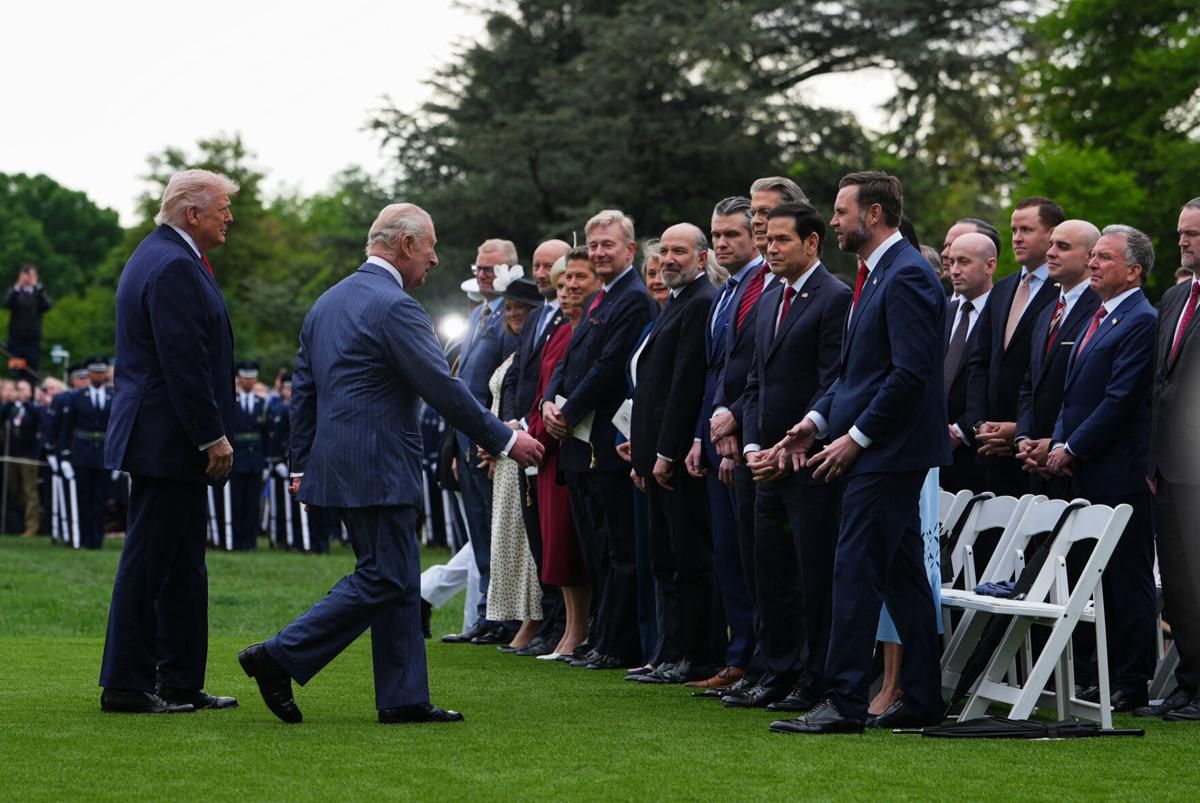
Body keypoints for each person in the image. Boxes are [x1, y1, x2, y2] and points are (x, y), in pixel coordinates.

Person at [238, 202, 544, 725]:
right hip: (378, 465)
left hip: (340, 464)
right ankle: (278, 656)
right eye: (430, 247)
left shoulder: (327, 303)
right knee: (383, 577)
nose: (435, 258)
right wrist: (505, 440)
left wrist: (299, 463)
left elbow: (304, 393)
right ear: (405, 245)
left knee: (397, 578)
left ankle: (403, 697)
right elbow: (441, 387)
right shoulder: (395, 307)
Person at [768, 171, 949, 734]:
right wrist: (816, 421)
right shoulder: (875, 276)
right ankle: (922, 696)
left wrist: (857, 437)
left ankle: (845, 701)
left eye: (842, 211)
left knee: (855, 571)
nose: (835, 221)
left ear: (873, 215)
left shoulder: (908, 275)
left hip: (889, 452)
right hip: (879, 448)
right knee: (902, 578)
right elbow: (856, 372)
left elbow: (910, 375)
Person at [100, 168, 239, 714]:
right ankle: (127, 686)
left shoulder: (161, 255)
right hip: (169, 438)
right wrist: (212, 436)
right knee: (150, 560)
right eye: (223, 207)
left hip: (164, 436)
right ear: (192, 214)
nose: (230, 217)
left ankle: (179, 680)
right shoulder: (174, 264)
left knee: (182, 564)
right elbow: (183, 362)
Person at [734, 203, 850, 711]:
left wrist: (797, 443)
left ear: (812, 243)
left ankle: (814, 676)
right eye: (768, 240)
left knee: (811, 576)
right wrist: (756, 445)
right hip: (767, 464)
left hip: (809, 463)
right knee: (771, 574)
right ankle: (776, 673)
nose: (770, 248)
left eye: (782, 240)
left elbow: (834, 382)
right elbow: (755, 381)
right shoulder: (766, 299)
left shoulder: (835, 298)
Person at [1045, 224, 1158, 712]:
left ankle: (1131, 681)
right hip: (1088, 468)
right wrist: (1055, 441)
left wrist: (1072, 447)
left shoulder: (1140, 320)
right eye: (1092, 255)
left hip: (1119, 471)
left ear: (1133, 271)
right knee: (1095, 576)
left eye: (1105, 258)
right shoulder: (1100, 315)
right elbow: (1075, 395)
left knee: (1125, 577)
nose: (1093, 263)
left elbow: (1119, 401)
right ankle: (1098, 676)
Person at [543, 209, 657, 671]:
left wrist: (566, 413)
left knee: (620, 550)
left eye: (609, 244)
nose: (600, 252)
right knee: (598, 549)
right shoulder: (600, 299)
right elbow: (570, 361)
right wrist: (551, 402)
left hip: (610, 443)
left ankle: (618, 643)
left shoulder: (632, 298)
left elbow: (608, 367)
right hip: (581, 446)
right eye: (595, 245)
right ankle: (602, 637)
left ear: (629, 249)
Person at [705, 177, 804, 699]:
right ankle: (762, 663)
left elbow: (789, 374)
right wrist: (726, 416)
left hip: (780, 445)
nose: (761, 221)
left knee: (782, 573)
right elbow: (734, 363)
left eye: (767, 213)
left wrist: (739, 421)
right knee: (753, 565)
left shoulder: (807, 288)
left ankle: (777, 666)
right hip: (746, 441)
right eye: (757, 212)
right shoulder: (751, 285)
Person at [629, 223, 722, 684]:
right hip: (656, 458)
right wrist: (642, 452)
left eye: (679, 251)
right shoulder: (676, 302)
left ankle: (697, 655)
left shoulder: (701, 301)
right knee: (665, 560)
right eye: (663, 250)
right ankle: (670, 652)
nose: (668, 258)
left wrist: (665, 452)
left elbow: (684, 388)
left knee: (690, 560)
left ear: (702, 259)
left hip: (680, 461)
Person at [685, 197, 761, 693]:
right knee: (728, 557)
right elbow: (714, 373)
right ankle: (740, 657)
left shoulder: (761, 288)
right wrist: (699, 436)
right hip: (714, 439)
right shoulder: (725, 292)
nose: (722, 243)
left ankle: (758, 660)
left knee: (753, 559)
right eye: (717, 235)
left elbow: (752, 370)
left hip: (747, 437)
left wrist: (734, 429)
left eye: (732, 234)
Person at [442, 239, 521, 645]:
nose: (483, 275)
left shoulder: (512, 316)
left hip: (493, 437)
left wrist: (496, 437)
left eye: (492, 269)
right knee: (478, 532)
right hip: (466, 439)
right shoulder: (477, 316)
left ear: (511, 270)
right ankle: (486, 615)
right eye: (479, 268)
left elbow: (507, 381)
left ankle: (505, 616)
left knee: (499, 528)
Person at [965, 198, 1065, 497]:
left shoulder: (1063, 293)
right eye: (1013, 230)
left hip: (1035, 450)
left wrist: (1020, 430)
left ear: (1052, 234)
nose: (1017, 238)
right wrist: (979, 424)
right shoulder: (1003, 289)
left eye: (1026, 229)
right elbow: (979, 362)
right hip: (990, 448)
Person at [500, 239, 571, 656]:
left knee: (557, 538)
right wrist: (512, 422)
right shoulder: (536, 317)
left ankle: (560, 623)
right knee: (539, 537)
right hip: (526, 434)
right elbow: (517, 378)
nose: (543, 274)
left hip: (550, 439)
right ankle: (548, 621)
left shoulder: (566, 318)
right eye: (538, 266)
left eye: (551, 267)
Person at [527, 254, 595, 660]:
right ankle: (570, 628)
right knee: (557, 544)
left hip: (564, 442)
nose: (569, 286)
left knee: (571, 544)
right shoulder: (559, 331)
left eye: (578, 279)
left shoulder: (582, 330)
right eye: (564, 279)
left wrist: (541, 435)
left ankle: (577, 630)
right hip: (547, 442)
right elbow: (545, 388)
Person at [1148, 198, 1200, 719]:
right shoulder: (1174, 297)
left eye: (1194, 234)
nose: (1183, 241)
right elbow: (1159, 383)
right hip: (1166, 465)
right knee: (1181, 584)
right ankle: (1188, 683)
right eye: (1181, 232)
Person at [1014, 220, 1102, 500]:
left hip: (1077, 463)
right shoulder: (1047, 312)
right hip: (1036, 463)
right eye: (1051, 244)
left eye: (1063, 247)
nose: (1051, 253)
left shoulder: (1100, 311)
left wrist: (1057, 444)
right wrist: (1024, 439)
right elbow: (1030, 382)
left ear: (1091, 257)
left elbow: (1094, 392)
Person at [484, 277, 545, 649]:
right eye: (508, 308)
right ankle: (515, 617)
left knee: (525, 539)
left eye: (522, 307)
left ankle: (533, 619)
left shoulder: (532, 348)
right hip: (504, 449)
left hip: (520, 445)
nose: (514, 313)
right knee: (508, 537)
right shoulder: (515, 350)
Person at [943, 233, 996, 493]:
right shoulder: (944, 311)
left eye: (963, 262)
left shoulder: (1002, 313)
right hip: (932, 447)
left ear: (990, 266)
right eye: (952, 262)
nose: (954, 270)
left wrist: (962, 429)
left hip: (978, 449)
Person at [60, 356, 113, 550]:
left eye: (101, 372)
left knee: (101, 498)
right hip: (82, 451)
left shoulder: (113, 396)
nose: (98, 375)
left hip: (104, 454)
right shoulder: (77, 397)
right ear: (89, 374)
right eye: (94, 372)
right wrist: (65, 454)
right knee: (84, 497)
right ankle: (82, 538)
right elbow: (67, 428)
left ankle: (96, 540)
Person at [229, 361, 267, 550]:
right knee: (237, 502)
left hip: (255, 460)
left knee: (253, 503)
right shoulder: (232, 401)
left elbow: (266, 435)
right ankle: (237, 540)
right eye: (245, 377)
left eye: (252, 377)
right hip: (237, 458)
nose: (249, 381)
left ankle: (250, 541)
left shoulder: (262, 404)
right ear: (238, 377)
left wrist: (267, 461)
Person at [3, 377, 41, 536]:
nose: (20, 393)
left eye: (23, 389)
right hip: (11, 455)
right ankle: (15, 524)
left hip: (28, 456)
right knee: (13, 490)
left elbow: (37, 420)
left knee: (29, 491)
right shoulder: (11, 409)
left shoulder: (33, 409)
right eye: (18, 389)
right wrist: (11, 402)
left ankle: (32, 526)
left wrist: (26, 402)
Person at [4, 264, 52, 374]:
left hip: (33, 339)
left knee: (32, 368)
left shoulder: (39, 293)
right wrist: (18, 286)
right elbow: (7, 304)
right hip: (16, 339)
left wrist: (37, 288)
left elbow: (47, 306)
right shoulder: (15, 292)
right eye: (26, 275)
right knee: (16, 368)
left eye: (31, 275)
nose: (28, 278)